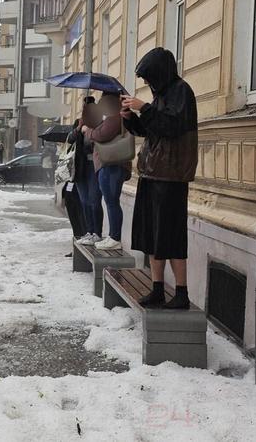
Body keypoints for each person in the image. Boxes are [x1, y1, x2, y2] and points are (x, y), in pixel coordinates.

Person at [121, 47, 198, 310]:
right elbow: (152, 130)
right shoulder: (163, 95)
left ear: (159, 73)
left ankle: (181, 292)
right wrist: (131, 119)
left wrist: (145, 108)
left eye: (148, 77)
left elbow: (172, 127)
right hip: (152, 173)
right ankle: (156, 289)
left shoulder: (181, 91)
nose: (146, 83)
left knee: (171, 236)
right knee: (152, 235)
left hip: (171, 177)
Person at [81, 93, 132, 250]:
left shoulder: (114, 117)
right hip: (108, 164)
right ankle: (112, 236)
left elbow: (100, 135)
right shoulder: (111, 116)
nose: (101, 103)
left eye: (104, 101)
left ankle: (115, 237)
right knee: (110, 201)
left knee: (111, 201)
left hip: (112, 164)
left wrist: (87, 131)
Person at [67, 97, 103, 246]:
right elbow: (70, 139)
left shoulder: (101, 123)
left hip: (94, 166)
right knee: (84, 201)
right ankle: (88, 231)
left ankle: (97, 232)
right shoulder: (79, 123)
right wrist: (78, 128)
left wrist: (90, 131)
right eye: (84, 108)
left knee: (94, 200)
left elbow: (101, 140)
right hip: (81, 167)